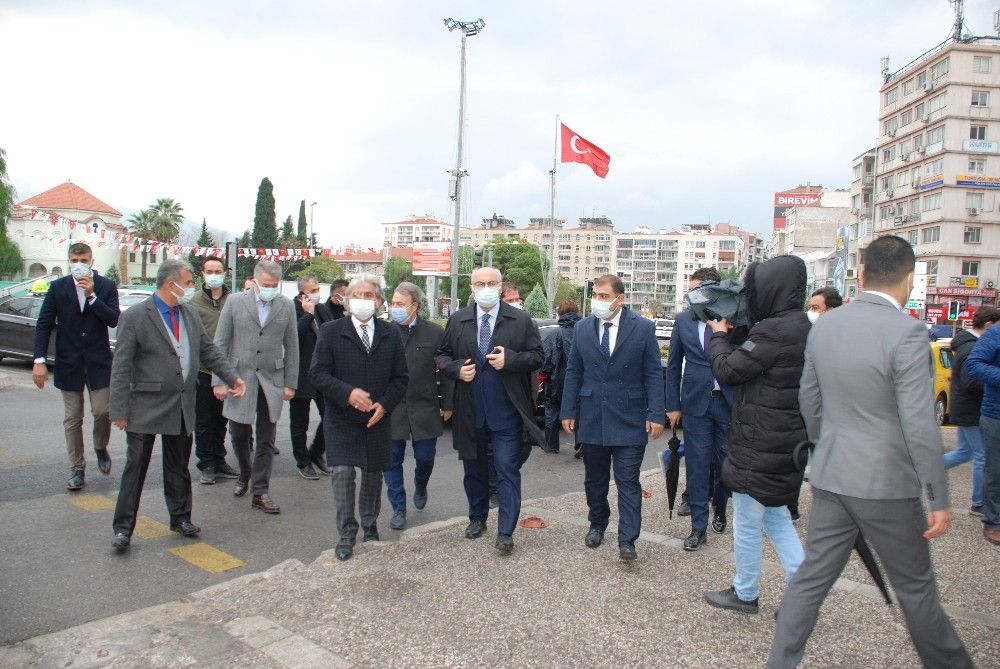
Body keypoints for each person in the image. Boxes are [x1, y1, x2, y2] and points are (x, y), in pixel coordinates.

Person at [769, 235, 971, 669]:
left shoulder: (826, 326)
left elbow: (809, 400)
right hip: (886, 484)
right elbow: (919, 423)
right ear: (910, 279)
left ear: (861, 276)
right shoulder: (908, 332)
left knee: (811, 580)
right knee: (915, 589)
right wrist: (938, 495)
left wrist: (828, 446)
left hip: (832, 474)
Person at [108, 260, 245, 550]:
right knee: (136, 467)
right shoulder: (135, 316)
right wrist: (118, 409)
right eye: (188, 282)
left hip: (181, 403)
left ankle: (181, 517)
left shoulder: (189, 313)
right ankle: (123, 528)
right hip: (144, 405)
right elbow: (121, 366)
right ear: (172, 285)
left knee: (178, 465)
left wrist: (232, 377)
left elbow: (208, 350)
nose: (192, 287)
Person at [701, 256, 809, 614]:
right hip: (783, 440)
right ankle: (803, 596)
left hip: (759, 443)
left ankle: (746, 593)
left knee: (747, 522)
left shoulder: (772, 332)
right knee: (776, 518)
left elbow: (729, 370)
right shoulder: (801, 326)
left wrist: (718, 336)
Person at [436, 266, 545, 554]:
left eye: (492, 283)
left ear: (500, 286)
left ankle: (505, 531)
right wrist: (456, 369)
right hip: (469, 410)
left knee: (507, 470)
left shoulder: (520, 320)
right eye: (480, 283)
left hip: (506, 412)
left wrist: (512, 360)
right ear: (471, 288)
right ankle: (477, 518)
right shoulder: (458, 319)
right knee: (473, 470)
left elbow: (537, 356)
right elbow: (442, 355)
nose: (486, 288)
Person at [561, 275, 665, 560]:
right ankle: (597, 523)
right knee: (594, 479)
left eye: (604, 296)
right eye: (595, 295)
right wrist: (568, 410)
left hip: (630, 416)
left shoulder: (642, 328)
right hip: (592, 414)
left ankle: (627, 539)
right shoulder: (583, 328)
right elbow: (574, 371)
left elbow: (653, 373)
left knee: (627, 480)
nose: (598, 300)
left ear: (620, 299)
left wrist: (656, 413)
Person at [310, 275, 408, 561]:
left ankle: (369, 524)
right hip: (341, 418)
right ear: (347, 300)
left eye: (370, 295)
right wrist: (347, 393)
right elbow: (317, 373)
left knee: (373, 475)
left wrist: (385, 405)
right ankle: (346, 533)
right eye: (358, 295)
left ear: (379, 301)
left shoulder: (390, 333)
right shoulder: (330, 331)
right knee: (342, 473)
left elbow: (401, 378)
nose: (364, 300)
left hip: (376, 418)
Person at [212, 259, 298, 514]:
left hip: (272, 379)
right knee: (239, 434)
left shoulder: (285, 305)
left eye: (274, 285)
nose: (270, 289)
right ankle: (245, 471)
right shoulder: (234, 302)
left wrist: (290, 383)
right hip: (240, 378)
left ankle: (260, 491)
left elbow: (292, 346)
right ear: (255, 281)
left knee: (267, 438)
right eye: (266, 285)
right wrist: (219, 380)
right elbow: (220, 343)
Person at [32, 242, 120, 491]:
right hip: (68, 362)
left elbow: (113, 319)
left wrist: (92, 296)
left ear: (92, 261)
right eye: (74, 260)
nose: (79, 264)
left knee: (102, 412)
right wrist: (39, 360)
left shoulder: (106, 286)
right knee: (72, 418)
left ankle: (100, 447)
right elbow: (44, 323)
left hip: (98, 362)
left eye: (84, 260)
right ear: (69, 261)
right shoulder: (58, 287)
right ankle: (77, 468)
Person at [664, 267, 734, 550]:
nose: (691, 296)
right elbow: (672, 365)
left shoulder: (732, 318)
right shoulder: (683, 320)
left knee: (724, 464)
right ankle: (698, 528)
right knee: (697, 465)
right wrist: (672, 405)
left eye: (697, 291)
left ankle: (721, 509)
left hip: (727, 403)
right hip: (695, 404)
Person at [383, 282, 453, 530]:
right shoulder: (384, 332)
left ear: (415, 306)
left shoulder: (434, 333)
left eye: (400, 304)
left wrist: (448, 403)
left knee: (425, 457)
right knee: (391, 460)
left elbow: (446, 369)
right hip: (391, 407)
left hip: (424, 405)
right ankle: (398, 508)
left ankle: (421, 484)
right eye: (393, 303)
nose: (395, 308)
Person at [190, 256, 241, 485]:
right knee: (203, 421)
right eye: (209, 271)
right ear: (202, 273)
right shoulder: (193, 302)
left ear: (225, 273)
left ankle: (220, 461)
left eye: (218, 271)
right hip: (202, 370)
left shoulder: (234, 300)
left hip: (228, 370)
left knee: (221, 420)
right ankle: (207, 464)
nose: (214, 275)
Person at [947, 306, 1000, 517]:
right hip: (971, 409)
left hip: (966, 408)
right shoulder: (971, 347)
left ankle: (920, 473)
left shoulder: (967, 344)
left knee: (963, 453)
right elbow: (970, 382)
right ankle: (979, 503)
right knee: (982, 457)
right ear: (989, 325)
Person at [289, 276, 333, 480]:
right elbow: (292, 338)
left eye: (317, 289)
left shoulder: (322, 309)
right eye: (312, 291)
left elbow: (331, 332)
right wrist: (307, 315)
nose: (316, 293)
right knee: (300, 423)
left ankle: (316, 452)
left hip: (323, 374)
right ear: (301, 294)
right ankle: (303, 461)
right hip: (301, 374)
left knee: (330, 416)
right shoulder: (292, 309)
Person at [964, 311, 1000, 546]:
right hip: (996, 414)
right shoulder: (995, 333)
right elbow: (973, 365)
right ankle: (993, 522)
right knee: (996, 471)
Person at [540, 299, 581, 454]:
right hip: (579, 380)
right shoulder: (583, 332)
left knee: (552, 410)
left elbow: (545, 359)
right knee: (581, 411)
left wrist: (544, 373)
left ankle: (551, 445)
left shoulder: (554, 334)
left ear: (560, 314)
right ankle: (581, 445)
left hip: (556, 380)